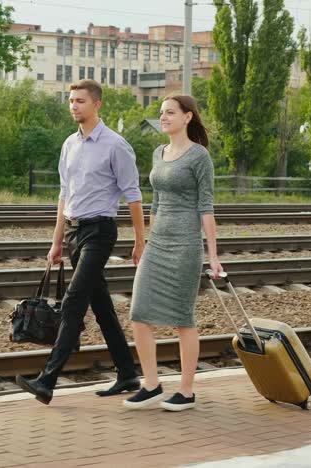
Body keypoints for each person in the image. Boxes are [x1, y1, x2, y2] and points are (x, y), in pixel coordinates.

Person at [16, 79, 145, 405]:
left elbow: (134, 197)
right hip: (73, 232)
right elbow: (64, 195)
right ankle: (128, 373)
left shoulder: (116, 146)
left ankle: (47, 381)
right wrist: (56, 241)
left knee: (74, 301)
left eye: (80, 101)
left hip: (100, 232)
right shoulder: (69, 145)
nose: (74, 106)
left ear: (97, 104)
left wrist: (140, 242)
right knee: (101, 306)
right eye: (71, 101)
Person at [123, 94, 223, 411]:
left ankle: (187, 390)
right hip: (159, 244)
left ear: (187, 117)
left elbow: (206, 208)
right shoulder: (158, 152)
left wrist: (214, 255)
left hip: (185, 245)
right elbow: (155, 202)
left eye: (170, 112)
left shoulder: (199, 157)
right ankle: (151, 386)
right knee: (139, 312)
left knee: (182, 318)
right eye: (162, 112)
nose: (163, 117)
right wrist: (147, 241)